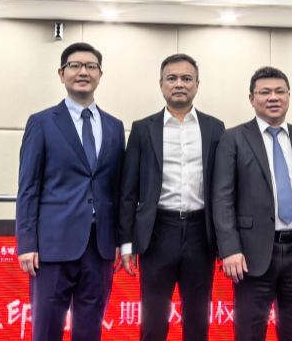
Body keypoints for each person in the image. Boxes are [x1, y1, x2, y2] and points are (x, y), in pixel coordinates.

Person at [212, 66, 292, 341]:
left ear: (289, 96)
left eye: (280, 91)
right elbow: (222, 198)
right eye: (264, 92)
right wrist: (230, 248)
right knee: (248, 333)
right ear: (251, 98)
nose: (273, 97)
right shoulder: (233, 138)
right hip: (250, 256)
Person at [16, 42, 126, 341]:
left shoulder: (115, 127)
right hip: (52, 247)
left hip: (100, 247)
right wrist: (26, 243)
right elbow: (28, 188)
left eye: (90, 66)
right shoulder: (42, 122)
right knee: (47, 329)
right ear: (61, 73)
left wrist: (119, 239)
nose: (83, 72)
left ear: (100, 74)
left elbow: (117, 189)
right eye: (75, 66)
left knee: (90, 331)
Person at [119, 54, 226, 341]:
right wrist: (127, 243)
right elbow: (128, 192)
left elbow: (224, 189)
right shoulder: (143, 129)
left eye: (186, 78)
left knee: (197, 322)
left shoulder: (215, 128)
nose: (179, 84)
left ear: (197, 84)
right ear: (161, 84)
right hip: (157, 232)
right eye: (172, 78)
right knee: (153, 323)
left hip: (200, 234)